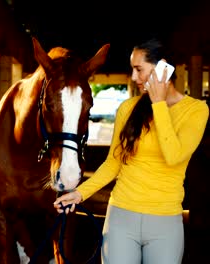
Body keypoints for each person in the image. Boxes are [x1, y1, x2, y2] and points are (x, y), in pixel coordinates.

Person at [53, 38, 209, 264]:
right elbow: (113, 163)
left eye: (139, 69)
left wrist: (158, 104)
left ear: (162, 68)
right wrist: (80, 193)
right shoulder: (127, 108)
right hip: (120, 217)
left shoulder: (196, 111)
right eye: (132, 70)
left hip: (165, 223)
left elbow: (174, 156)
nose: (134, 78)